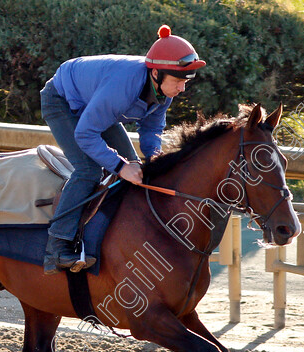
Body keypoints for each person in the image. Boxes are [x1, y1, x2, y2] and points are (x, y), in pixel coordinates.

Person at [41, 24, 206, 275]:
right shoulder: (123, 86)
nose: (182, 88)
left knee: (136, 171)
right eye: (178, 81)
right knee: (89, 170)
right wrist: (119, 166)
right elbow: (85, 134)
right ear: (156, 74)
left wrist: (153, 159)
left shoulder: (164, 91)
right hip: (61, 100)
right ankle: (58, 246)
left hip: (94, 103)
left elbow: (151, 130)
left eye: (185, 82)